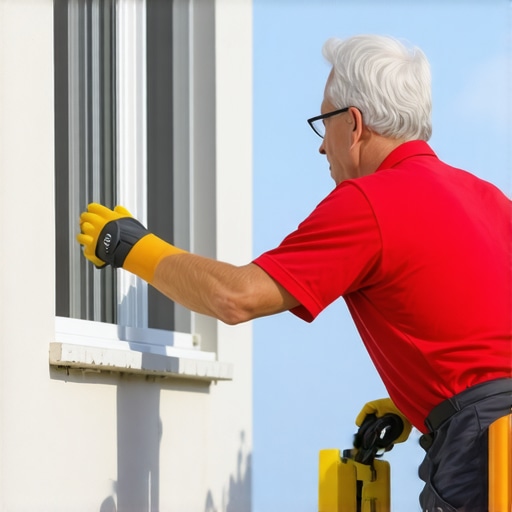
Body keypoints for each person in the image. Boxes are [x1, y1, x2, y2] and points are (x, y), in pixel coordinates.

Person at [77, 34, 511, 511]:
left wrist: (131, 247)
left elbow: (236, 297)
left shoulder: (369, 201)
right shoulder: (487, 197)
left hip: (480, 446)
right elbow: (476, 331)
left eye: (324, 123)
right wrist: (420, 403)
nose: (323, 148)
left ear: (354, 123)